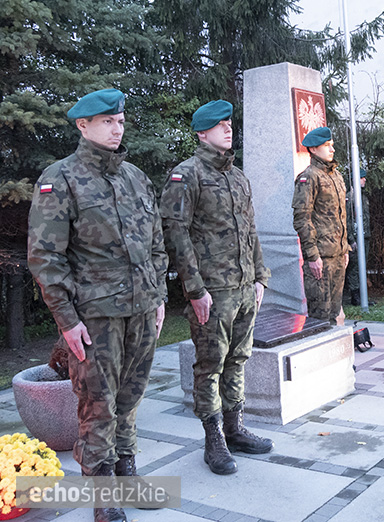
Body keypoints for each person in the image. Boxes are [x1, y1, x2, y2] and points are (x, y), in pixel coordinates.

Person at [28, 89, 168, 522]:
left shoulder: (135, 177)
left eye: (120, 120)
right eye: (107, 121)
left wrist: (159, 296)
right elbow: (45, 257)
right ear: (82, 125)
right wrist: (67, 321)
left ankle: (127, 472)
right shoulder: (61, 178)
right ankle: (103, 493)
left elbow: (157, 245)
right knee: (97, 404)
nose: (117, 127)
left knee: (130, 399)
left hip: (142, 310)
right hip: (95, 316)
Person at [160, 100, 273, 476]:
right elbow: (175, 234)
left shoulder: (238, 177)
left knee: (239, 359)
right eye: (219, 125)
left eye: (229, 123)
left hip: (243, 287)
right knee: (210, 365)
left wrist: (260, 276)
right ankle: (213, 441)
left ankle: (235, 428)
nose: (228, 129)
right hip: (213, 290)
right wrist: (195, 289)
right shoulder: (186, 175)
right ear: (201, 133)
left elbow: (251, 231)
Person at [292, 126, 350, 324]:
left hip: (337, 254)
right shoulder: (308, 177)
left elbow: (340, 217)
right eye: (326, 145)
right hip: (321, 256)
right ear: (313, 150)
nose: (332, 149)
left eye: (332, 145)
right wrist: (312, 255)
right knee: (320, 316)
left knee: (334, 312)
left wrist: (345, 248)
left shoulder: (336, 176)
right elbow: (302, 218)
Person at [346, 168, 371, 306]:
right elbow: (348, 220)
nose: (364, 179)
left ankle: (363, 296)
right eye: (362, 177)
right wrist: (351, 239)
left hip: (365, 236)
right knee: (355, 266)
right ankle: (355, 297)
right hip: (356, 237)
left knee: (363, 265)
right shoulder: (351, 197)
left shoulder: (363, 197)